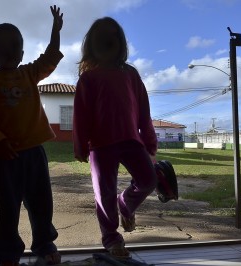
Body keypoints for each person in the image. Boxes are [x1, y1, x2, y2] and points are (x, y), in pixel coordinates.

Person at [0, 6, 64, 266]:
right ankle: (7, 254)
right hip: (6, 157)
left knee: (42, 205)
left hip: (35, 153)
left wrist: (55, 31)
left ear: (23, 52)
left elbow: (49, 58)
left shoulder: (28, 73)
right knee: (8, 210)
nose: (10, 51)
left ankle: (45, 244)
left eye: (15, 46)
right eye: (2, 47)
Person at [73, 17, 158, 258]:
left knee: (148, 180)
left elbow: (144, 110)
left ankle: (126, 204)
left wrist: (150, 141)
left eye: (114, 36)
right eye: (103, 37)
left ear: (120, 42)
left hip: (131, 140)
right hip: (100, 146)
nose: (109, 40)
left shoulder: (130, 74)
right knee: (104, 194)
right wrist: (80, 145)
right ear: (92, 44)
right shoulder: (88, 78)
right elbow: (81, 115)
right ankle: (112, 239)